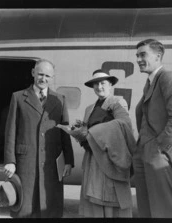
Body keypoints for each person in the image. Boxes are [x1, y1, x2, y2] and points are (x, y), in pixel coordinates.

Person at [58, 69, 136, 217]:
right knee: (93, 200)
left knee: (111, 199)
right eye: (95, 84)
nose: (99, 87)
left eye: (103, 83)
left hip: (109, 159)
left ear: (110, 84)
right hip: (92, 159)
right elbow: (87, 136)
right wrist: (79, 132)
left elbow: (124, 124)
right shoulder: (89, 109)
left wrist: (92, 133)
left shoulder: (118, 102)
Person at [3, 59, 74, 218]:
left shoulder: (60, 100)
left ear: (53, 77)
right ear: (33, 73)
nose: (44, 79)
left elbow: (64, 133)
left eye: (48, 76)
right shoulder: (18, 97)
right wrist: (10, 160)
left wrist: (68, 160)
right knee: (25, 207)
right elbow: (10, 131)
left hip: (52, 163)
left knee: (50, 208)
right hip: (25, 162)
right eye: (40, 74)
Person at [133, 39, 172, 218]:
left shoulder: (168, 78)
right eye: (137, 55)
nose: (138, 59)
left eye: (143, 54)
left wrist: (158, 149)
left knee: (164, 212)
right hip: (145, 154)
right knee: (147, 210)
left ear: (158, 56)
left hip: (159, 156)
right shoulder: (150, 82)